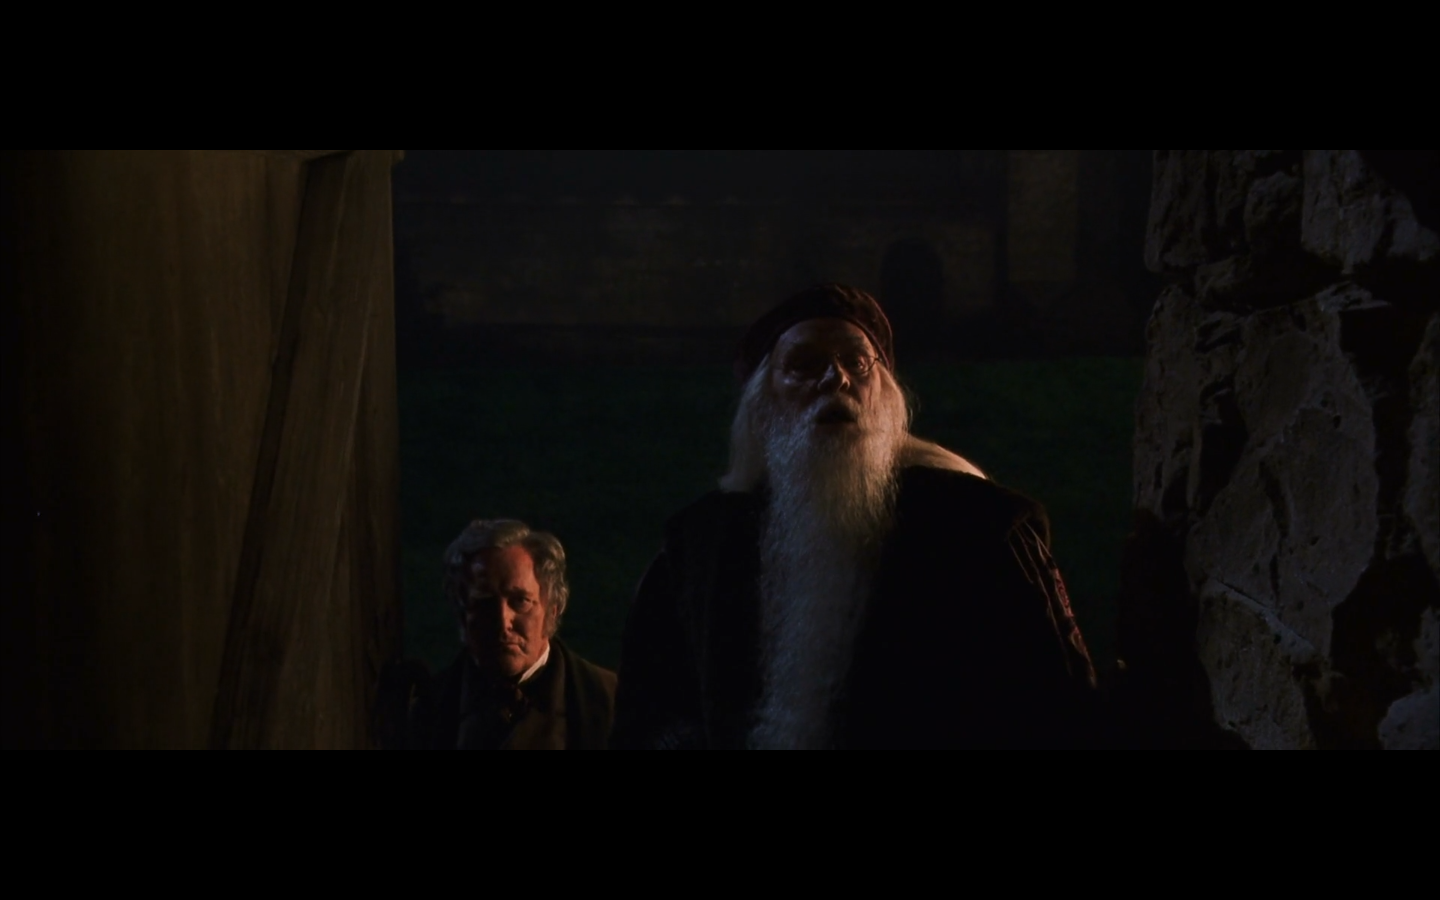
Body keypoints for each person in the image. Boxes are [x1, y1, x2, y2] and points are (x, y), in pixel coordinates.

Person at [610, 283, 1098, 749]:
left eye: (857, 362)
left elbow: (1057, 705)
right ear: (763, 406)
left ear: (885, 394)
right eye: (805, 365)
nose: (836, 378)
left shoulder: (980, 525)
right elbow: (650, 717)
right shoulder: (699, 547)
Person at [401, 519, 617, 750]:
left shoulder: (611, 700)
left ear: (551, 609)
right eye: (484, 602)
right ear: (463, 613)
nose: (502, 622)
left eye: (520, 601)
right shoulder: (423, 709)